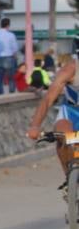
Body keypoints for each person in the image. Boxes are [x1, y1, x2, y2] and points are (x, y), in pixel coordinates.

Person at [25, 59, 79, 205]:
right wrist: (35, 126)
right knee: (63, 135)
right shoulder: (71, 69)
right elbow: (48, 99)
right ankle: (70, 178)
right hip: (72, 112)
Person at [0, 18, 19, 95]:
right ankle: (11, 93)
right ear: (8, 25)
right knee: (11, 77)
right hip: (8, 57)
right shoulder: (11, 35)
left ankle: (0, 93)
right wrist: (15, 56)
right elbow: (14, 48)